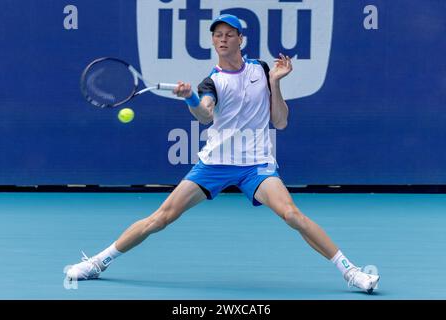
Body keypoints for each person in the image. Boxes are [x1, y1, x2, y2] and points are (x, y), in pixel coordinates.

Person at [66, 14, 380, 294]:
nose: (223, 39)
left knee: (292, 215)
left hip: (255, 164)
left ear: (241, 39)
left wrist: (274, 83)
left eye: (230, 34)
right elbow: (205, 115)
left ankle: (350, 272)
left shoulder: (261, 70)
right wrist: (190, 98)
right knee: (160, 219)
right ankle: (97, 263)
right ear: (213, 41)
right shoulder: (211, 82)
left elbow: (280, 121)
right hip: (214, 164)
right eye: (218, 35)